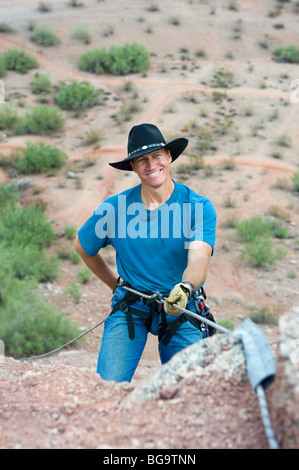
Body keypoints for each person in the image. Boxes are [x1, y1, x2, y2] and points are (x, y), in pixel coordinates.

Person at [74, 123, 217, 382]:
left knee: (191, 390)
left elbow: (199, 257)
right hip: (131, 305)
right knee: (108, 387)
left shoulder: (197, 206)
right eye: (141, 160)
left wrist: (184, 288)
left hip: (181, 307)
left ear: (169, 156)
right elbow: (83, 247)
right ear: (133, 167)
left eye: (156, 156)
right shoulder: (114, 209)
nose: (151, 165)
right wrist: (115, 285)